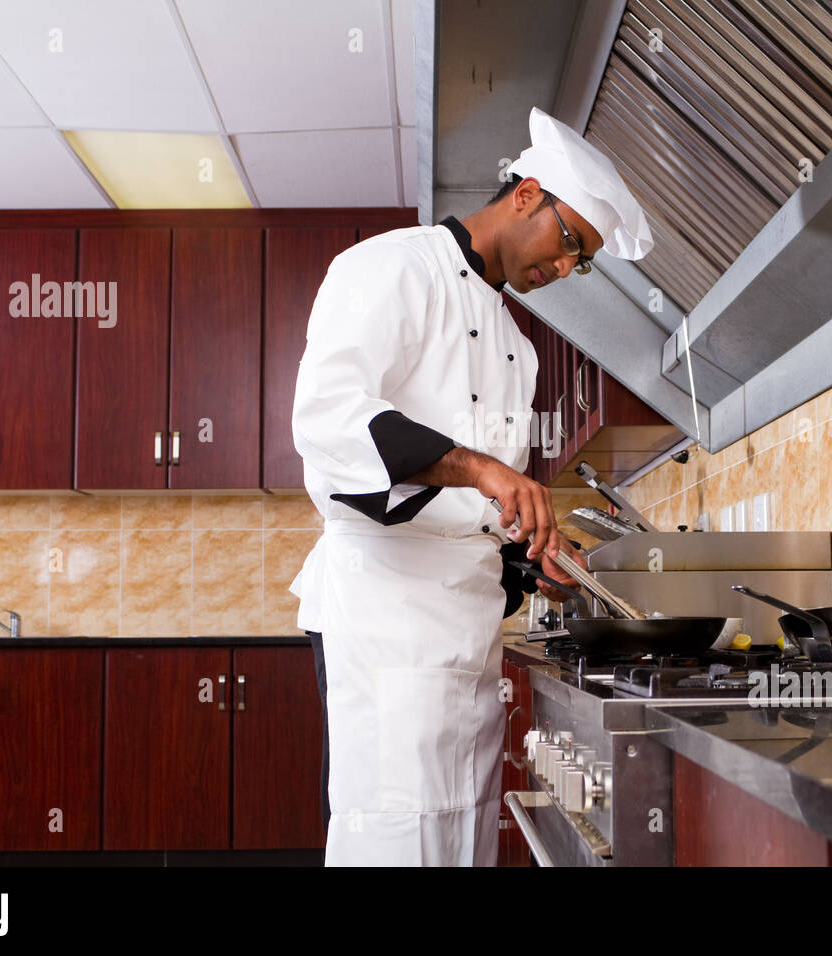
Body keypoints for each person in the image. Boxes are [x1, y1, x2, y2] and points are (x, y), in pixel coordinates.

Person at [290, 107, 653, 866]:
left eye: (578, 262)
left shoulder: (518, 352)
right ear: (526, 195)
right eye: (567, 244)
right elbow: (328, 419)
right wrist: (482, 467)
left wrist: (528, 562)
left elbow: (471, 520)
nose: (561, 271)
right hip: (384, 616)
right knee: (391, 834)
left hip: (465, 632)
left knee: (461, 831)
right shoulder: (391, 267)